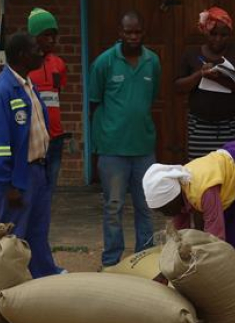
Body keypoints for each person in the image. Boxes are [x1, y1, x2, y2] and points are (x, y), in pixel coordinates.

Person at [142, 140, 235, 286]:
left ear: (174, 197)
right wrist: (166, 272)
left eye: (164, 209)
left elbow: (215, 240)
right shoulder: (178, 191)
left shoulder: (204, 191)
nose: (166, 215)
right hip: (233, 161)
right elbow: (180, 238)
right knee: (231, 228)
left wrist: (202, 275)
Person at [0, 32, 63, 278]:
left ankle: (44, 277)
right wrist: (7, 186)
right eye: (35, 50)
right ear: (21, 55)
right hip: (17, 178)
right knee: (12, 238)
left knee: (38, 232)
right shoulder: (1, 91)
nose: (41, 54)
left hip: (37, 172)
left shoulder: (28, 85)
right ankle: (5, 286)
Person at [89, 11, 161, 267]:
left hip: (143, 148)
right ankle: (111, 261)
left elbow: (151, 98)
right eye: (128, 32)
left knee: (145, 206)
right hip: (112, 150)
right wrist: (99, 144)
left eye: (137, 32)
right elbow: (94, 103)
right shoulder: (104, 63)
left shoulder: (152, 61)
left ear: (143, 33)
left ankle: (145, 259)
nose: (133, 36)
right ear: (119, 33)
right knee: (113, 207)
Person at [175, 6, 235, 159]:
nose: (218, 39)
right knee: (200, 172)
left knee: (230, 169)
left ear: (229, 34)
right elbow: (178, 87)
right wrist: (200, 74)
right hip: (200, 127)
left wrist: (219, 77)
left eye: (223, 35)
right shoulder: (191, 55)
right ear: (205, 31)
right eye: (213, 34)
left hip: (231, 126)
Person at [27, 7, 69, 197]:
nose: (51, 40)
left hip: (56, 137)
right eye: (46, 35)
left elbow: (56, 94)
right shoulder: (25, 65)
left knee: (49, 192)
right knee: (33, 191)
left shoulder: (58, 64)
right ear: (34, 36)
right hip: (34, 138)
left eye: (54, 35)